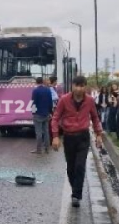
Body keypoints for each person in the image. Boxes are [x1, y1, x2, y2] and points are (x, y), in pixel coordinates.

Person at [51, 76, 104, 208]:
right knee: (71, 167)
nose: (79, 89)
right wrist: (55, 136)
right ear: (72, 86)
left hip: (83, 137)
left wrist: (98, 134)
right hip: (69, 137)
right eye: (77, 85)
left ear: (85, 87)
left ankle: (76, 195)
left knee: (80, 166)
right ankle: (75, 188)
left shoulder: (90, 101)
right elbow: (55, 118)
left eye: (82, 86)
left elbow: (95, 118)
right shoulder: (64, 100)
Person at [31, 77, 53, 154]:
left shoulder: (35, 91)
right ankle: (47, 149)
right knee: (46, 132)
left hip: (38, 114)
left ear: (36, 82)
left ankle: (38, 149)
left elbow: (33, 103)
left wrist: (33, 113)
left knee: (39, 133)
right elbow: (50, 102)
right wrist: (50, 112)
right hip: (46, 114)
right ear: (43, 82)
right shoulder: (48, 90)